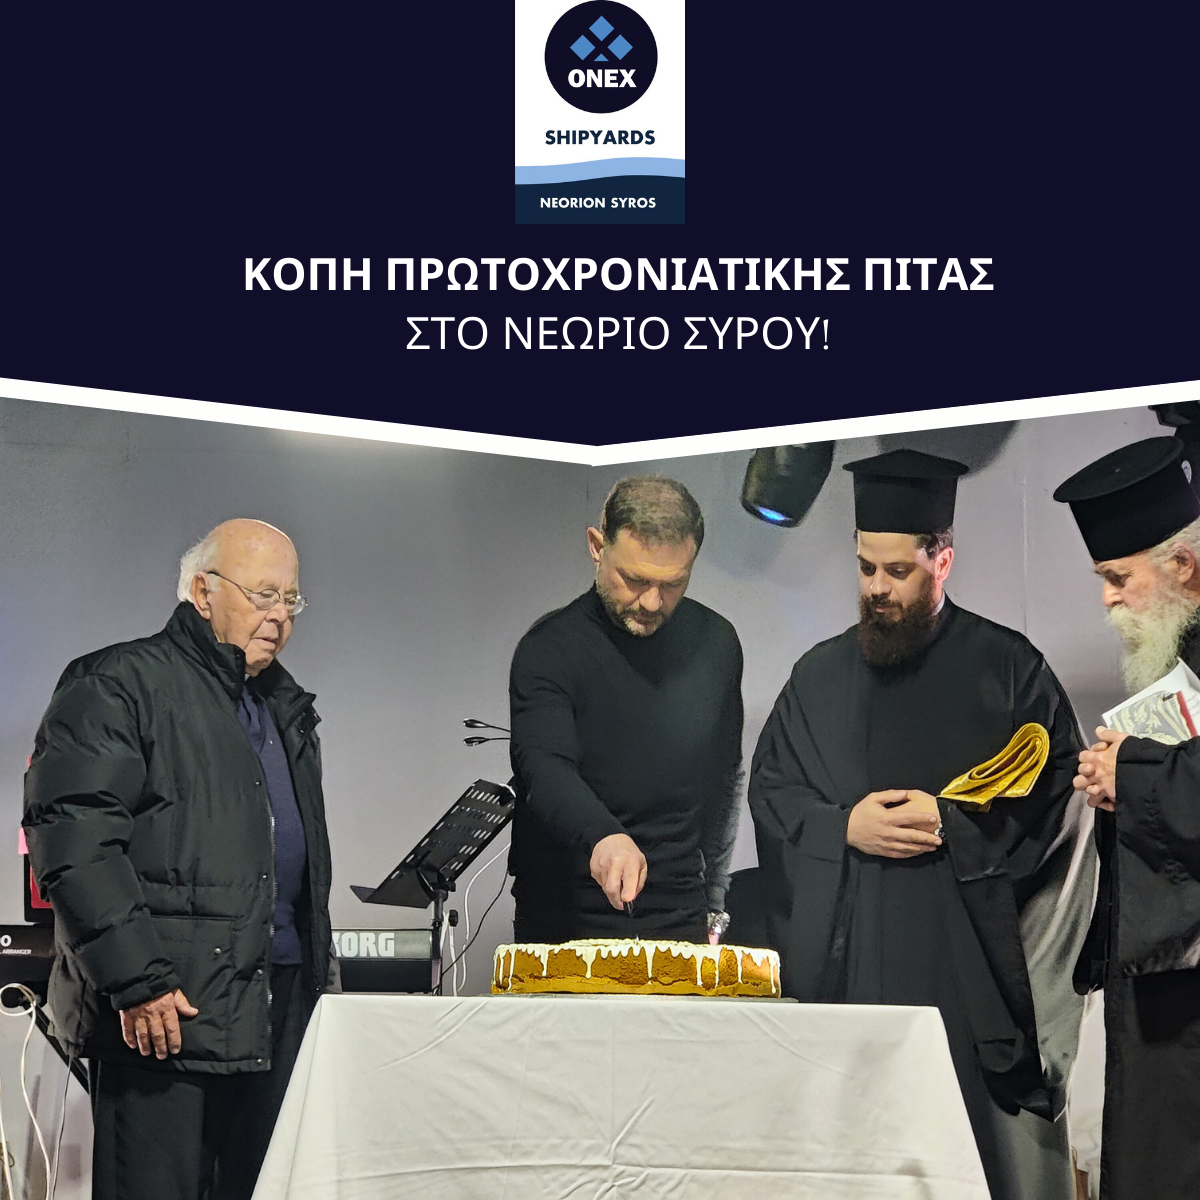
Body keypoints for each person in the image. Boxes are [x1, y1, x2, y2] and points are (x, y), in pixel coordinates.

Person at [749, 449, 1090, 1200]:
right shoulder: (818, 677)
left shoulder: (1010, 670)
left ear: (943, 560)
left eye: (898, 571)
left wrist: (955, 821)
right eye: (866, 568)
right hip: (851, 971)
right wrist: (843, 828)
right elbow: (774, 793)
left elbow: (1059, 798)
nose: (877, 587)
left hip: (966, 974)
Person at [23, 519, 337, 1200]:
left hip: (277, 1002)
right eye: (263, 595)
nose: (280, 615)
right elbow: (74, 843)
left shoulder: (283, 706)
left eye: (291, 599)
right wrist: (138, 981)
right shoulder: (117, 683)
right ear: (202, 591)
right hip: (167, 1016)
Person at [1055, 436, 1200, 1200]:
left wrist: (1135, 772)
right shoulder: (1181, 647)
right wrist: (1113, 776)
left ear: (1183, 567)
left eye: (1119, 578)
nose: (1108, 600)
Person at [508, 476, 743, 944]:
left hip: (679, 911)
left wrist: (715, 898)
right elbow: (543, 767)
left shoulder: (717, 643)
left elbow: (724, 779)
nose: (652, 602)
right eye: (635, 580)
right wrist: (603, 836)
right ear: (597, 547)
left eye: (673, 584)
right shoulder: (549, 649)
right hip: (566, 916)